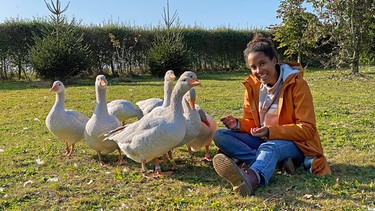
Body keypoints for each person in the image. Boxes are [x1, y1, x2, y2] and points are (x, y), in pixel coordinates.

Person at [212, 33, 331, 197]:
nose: (258, 71)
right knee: (220, 135)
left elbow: (308, 129)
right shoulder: (252, 87)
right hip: (263, 140)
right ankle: (275, 164)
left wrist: (270, 131)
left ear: (274, 61)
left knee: (270, 147)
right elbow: (252, 122)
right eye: (253, 67)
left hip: (295, 144)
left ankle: (251, 178)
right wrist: (238, 124)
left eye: (262, 64)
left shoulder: (297, 85)